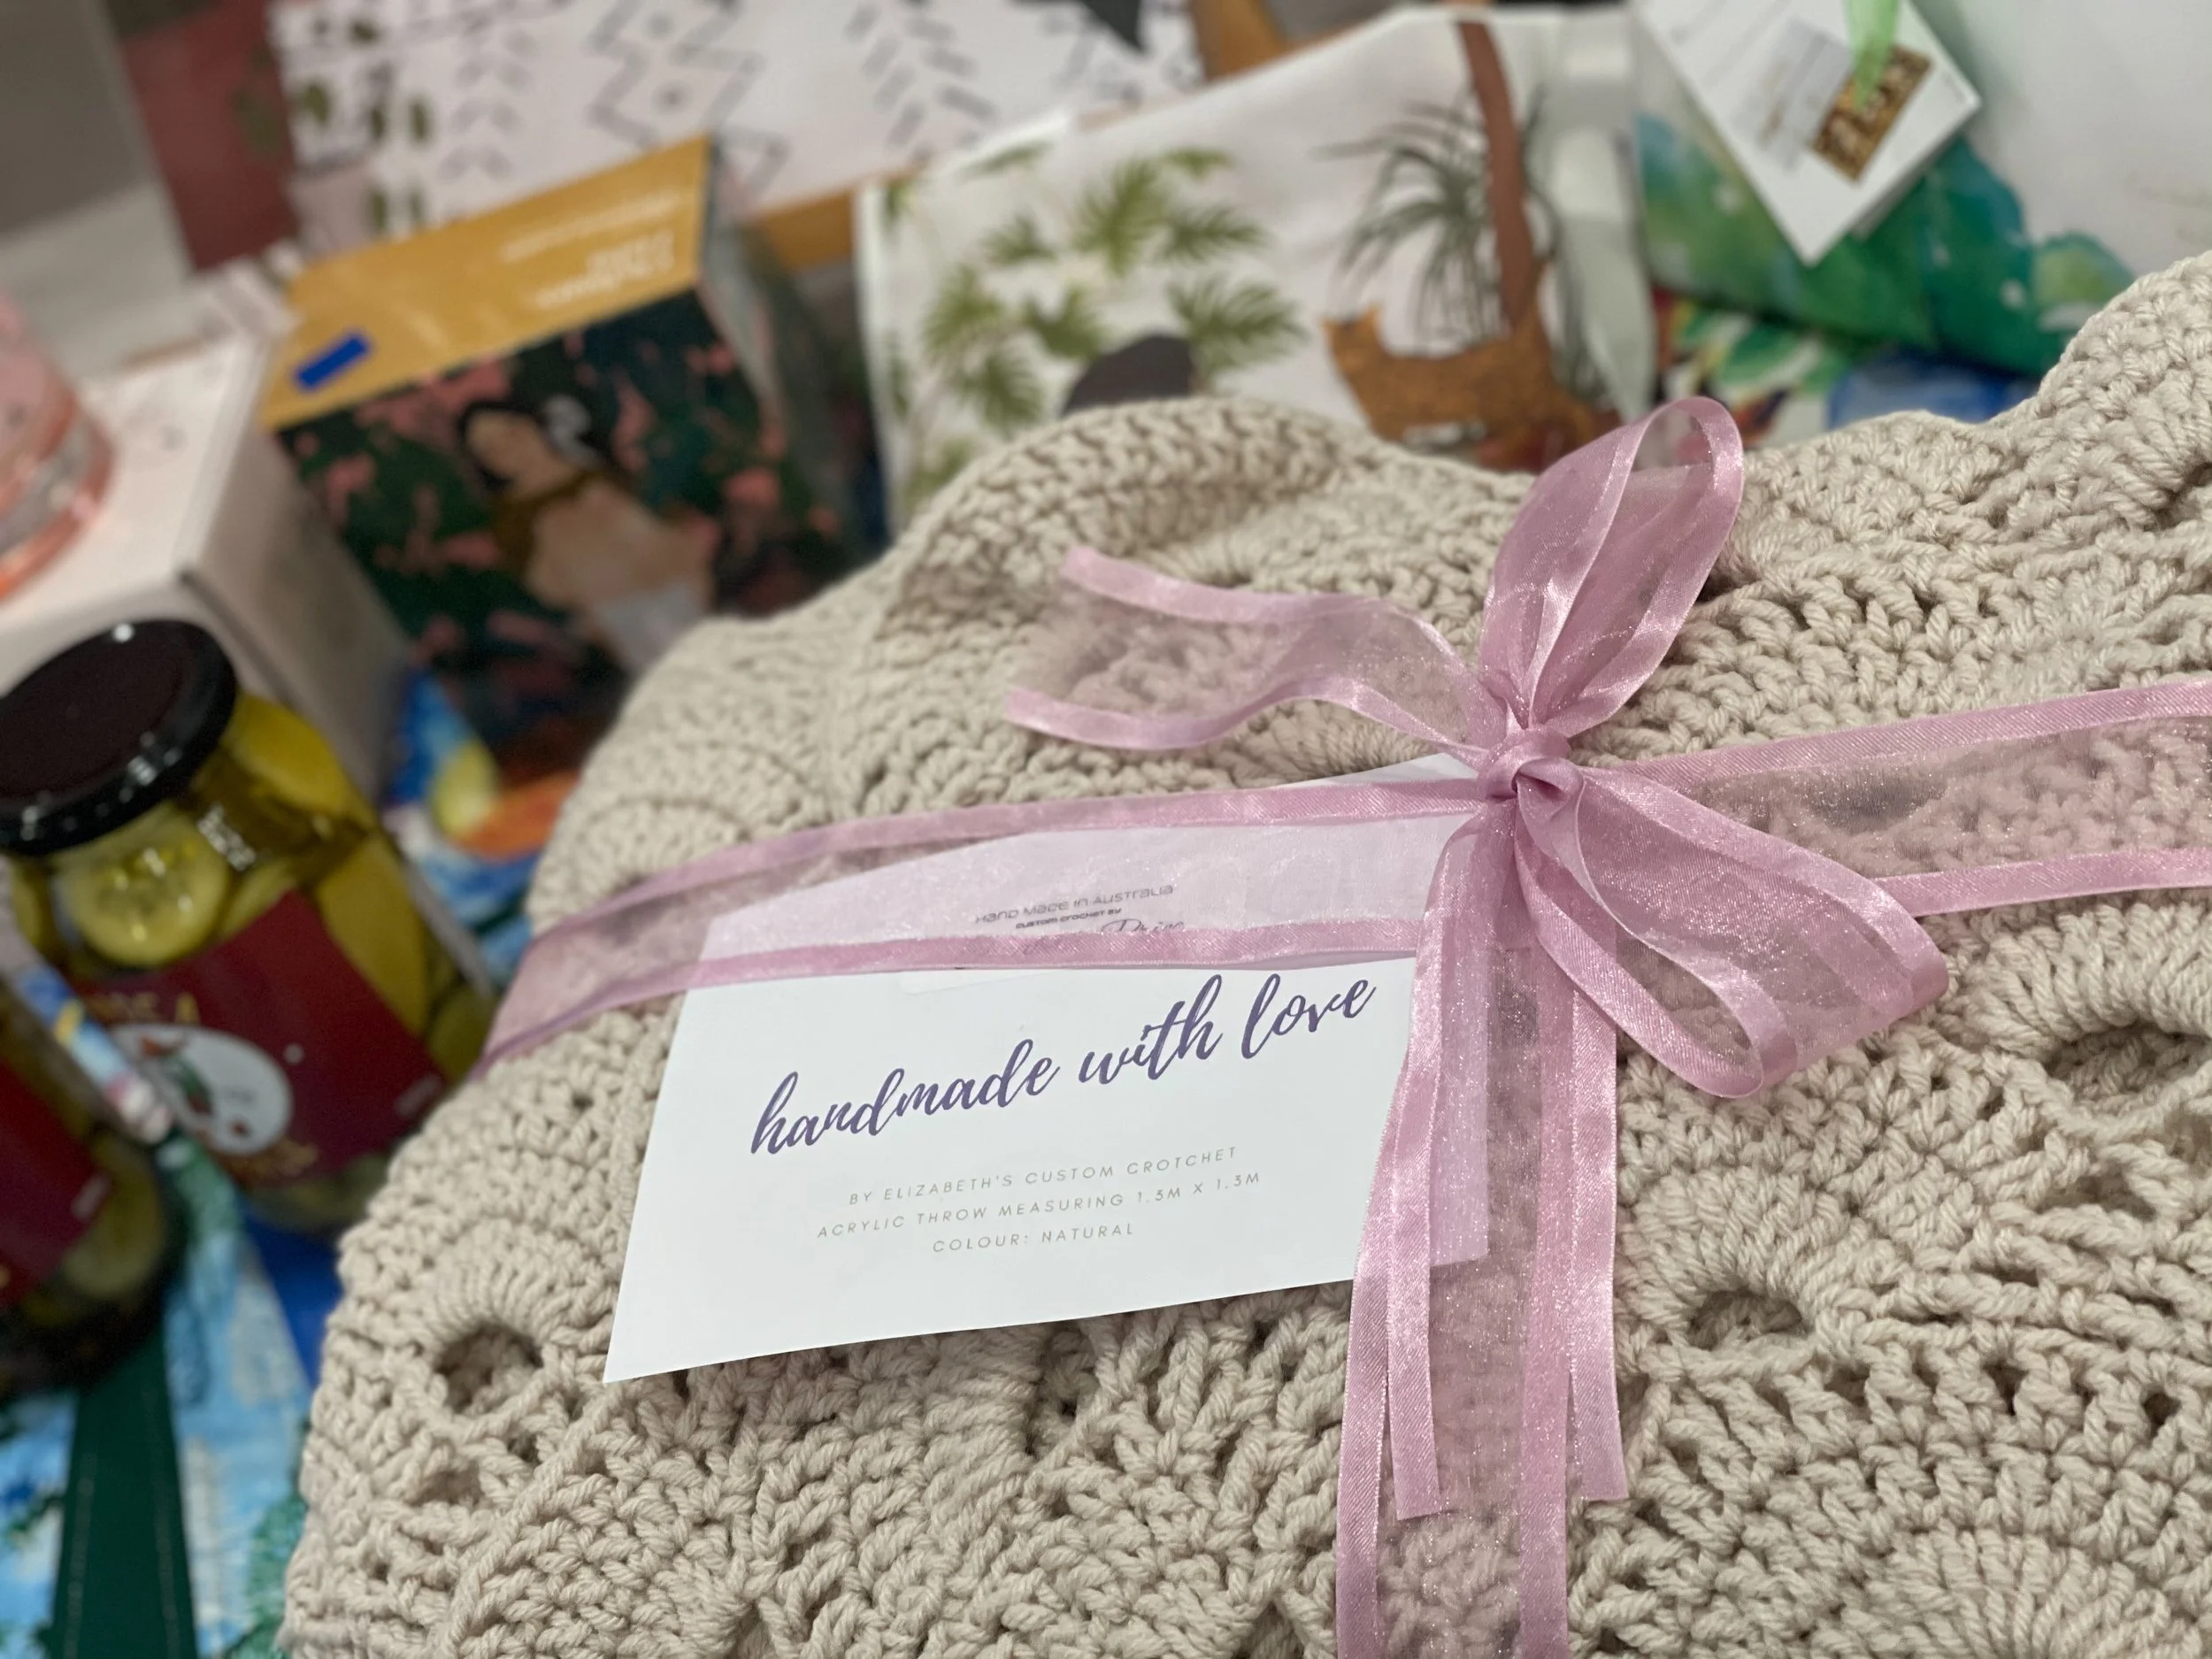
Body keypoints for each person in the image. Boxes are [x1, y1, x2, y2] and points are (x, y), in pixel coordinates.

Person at [458, 400, 717, 674]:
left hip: (683, 590)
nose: (507, 450)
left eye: (511, 432)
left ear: (533, 423)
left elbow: (665, 518)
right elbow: (546, 587)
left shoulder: (597, 468)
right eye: (488, 450)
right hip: (622, 621)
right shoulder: (510, 518)